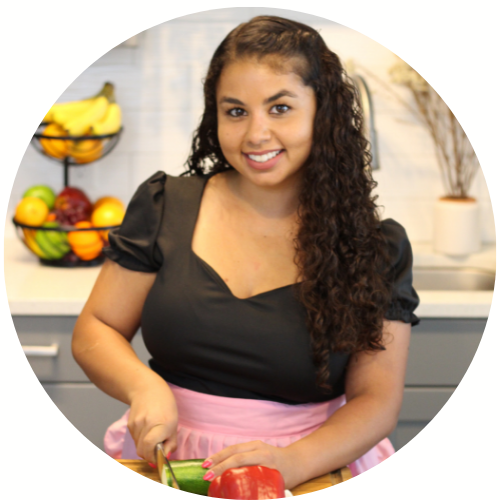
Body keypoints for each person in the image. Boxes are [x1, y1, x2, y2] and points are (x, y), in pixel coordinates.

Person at [72, 15, 420, 489]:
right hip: (172, 465)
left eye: (280, 108)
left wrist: (292, 463)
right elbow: (97, 328)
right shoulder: (165, 205)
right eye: (235, 111)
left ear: (324, 112)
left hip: (310, 471)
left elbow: (376, 401)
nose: (256, 134)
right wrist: (144, 386)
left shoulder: (376, 249)